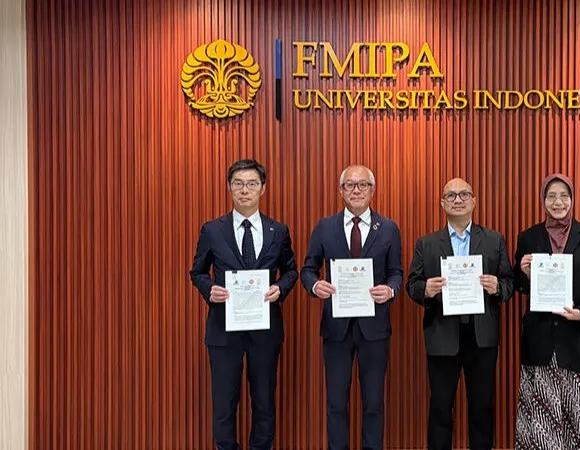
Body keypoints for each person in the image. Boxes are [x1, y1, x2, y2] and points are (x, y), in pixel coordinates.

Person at [189, 159, 298, 450]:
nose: (244, 190)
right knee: (225, 402)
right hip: (224, 328)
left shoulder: (278, 230)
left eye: (251, 184)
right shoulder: (212, 230)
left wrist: (280, 288)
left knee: (264, 400)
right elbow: (197, 271)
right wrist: (210, 289)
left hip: (265, 328)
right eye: (238, 184)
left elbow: (291, 270)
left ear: (263, 188)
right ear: (229, 188)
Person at [300, 164, 403, 450]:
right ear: (340, 191)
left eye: (362, 185)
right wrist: (314, 285)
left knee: (373, 402)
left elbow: (397, 272)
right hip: (336, 328)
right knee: (336, 402)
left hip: (375, 329)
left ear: (372, 190)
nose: (356, 191)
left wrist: (391, 289)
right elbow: (307, 269)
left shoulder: (389, 228)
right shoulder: (325, 227)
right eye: (350, 185)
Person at [406, 177, 514, 450]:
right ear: (442, 203)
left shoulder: (493, 239)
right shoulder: (426, 243)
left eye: (464, 194)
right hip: (442, 334)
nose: (458, 199)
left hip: (482, 337)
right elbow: (412, 285)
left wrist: (497, 287)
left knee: (481, 408)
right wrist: (426, 290)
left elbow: (510, 283)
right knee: (441, 408)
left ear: (474, 200)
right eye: (451, 195)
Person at [513, 173, 580, 450]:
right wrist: (524, 273)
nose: (558, 202)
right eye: (551, 196)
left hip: (578, 340)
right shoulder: (528, 238)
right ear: (543, 200)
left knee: (578, 420)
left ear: (573, 199)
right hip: (540, 343)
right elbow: (519, 286)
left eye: (564, 196)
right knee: (541, 424)